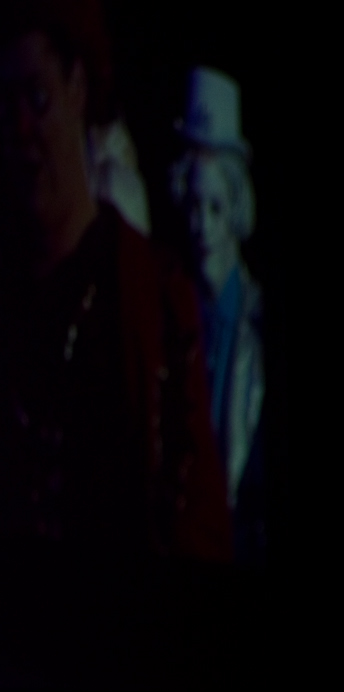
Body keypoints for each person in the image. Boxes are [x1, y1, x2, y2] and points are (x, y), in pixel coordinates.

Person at [0, 0, 229, 561]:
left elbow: (201, 528)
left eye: (37, 97)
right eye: (4, 107)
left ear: (77, 87)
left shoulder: (155, 295)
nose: (22, 130)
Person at [170, 66, 266, 562]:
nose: (203, 227)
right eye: (193, 208)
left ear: (236, 209)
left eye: (215, 208)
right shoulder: (170, 314)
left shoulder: (259, 322)